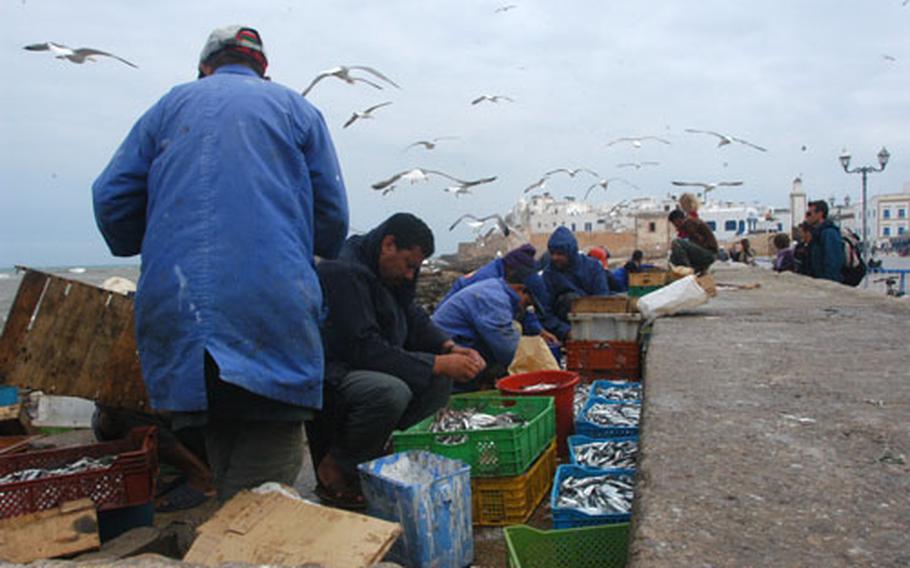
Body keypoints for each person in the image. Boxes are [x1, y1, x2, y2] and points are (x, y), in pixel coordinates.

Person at [92, 25, 349, 502]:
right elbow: (332, 221)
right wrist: (288, 242)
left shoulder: (168, 107)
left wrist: (146, 237)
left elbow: (110, 200)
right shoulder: (296, 110)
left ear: (205, 66)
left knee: (223, 451)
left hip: (177, 314)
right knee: (262, 487)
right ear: (263, 69)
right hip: (270, 313)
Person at [313, 213, 485, 508]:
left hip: (373, 360)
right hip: (336, 370)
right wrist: (435, 363)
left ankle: (383, 452)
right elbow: (364, 347)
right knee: (390, 392)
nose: (410, 275)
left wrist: (448, 346)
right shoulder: (344, 271)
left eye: (415, 268)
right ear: (388, 244)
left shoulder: (391, 271)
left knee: (441, 379)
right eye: (409, 265)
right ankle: (336, 466)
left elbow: (412, 313)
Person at [432, 268, 534, 390]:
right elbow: (508, 349)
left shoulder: (496, 287)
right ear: (520, 289)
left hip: (458, 343)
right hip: (449, 353)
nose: (524, 309)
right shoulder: (494, 300)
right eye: (527, 303)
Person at [440, 244, 559, 344]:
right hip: (451, 335)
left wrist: (539, 331)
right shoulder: (487, 283)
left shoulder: (505, 285)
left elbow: (521, 309)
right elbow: (501, 337)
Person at [542, 227, 610, 340]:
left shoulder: (593, 268)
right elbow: (545, 312)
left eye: (560, 254)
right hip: (564, 331)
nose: (555, 258)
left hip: (593, 325)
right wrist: (565, 331)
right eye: (552, 253)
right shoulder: (549, 275)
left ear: (570, 252)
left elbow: (602, 301)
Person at [805, 199, 845, 283]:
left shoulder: (829, 233)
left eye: (809, 214)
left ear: (820, 214)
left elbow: (833, 263)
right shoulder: (817, 233)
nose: (806, 217)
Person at [668, 209, 718, 274]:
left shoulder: (689, 223)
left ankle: (686, 271)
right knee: (674, 256)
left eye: (674, 223)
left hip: (709, 254)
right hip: (708, 254)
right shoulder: (691, 222)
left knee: (677, 242)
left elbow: (700, 242)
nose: (675, 226)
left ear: (678, 220)